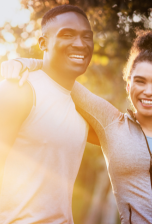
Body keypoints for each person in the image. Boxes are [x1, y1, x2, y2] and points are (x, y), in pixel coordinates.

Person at [2, 29, 152, 223]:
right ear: (128, 85)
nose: (149, 91)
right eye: (140, 81)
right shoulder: (112, 125)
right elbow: (60, 74)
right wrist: (25, 62)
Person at [0, 5, 99, 224]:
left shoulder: (81, 106)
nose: (80, 44)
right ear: (43, 43)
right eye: (67, 35)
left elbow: (132, 133)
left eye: (87, 37)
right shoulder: (20, 89)